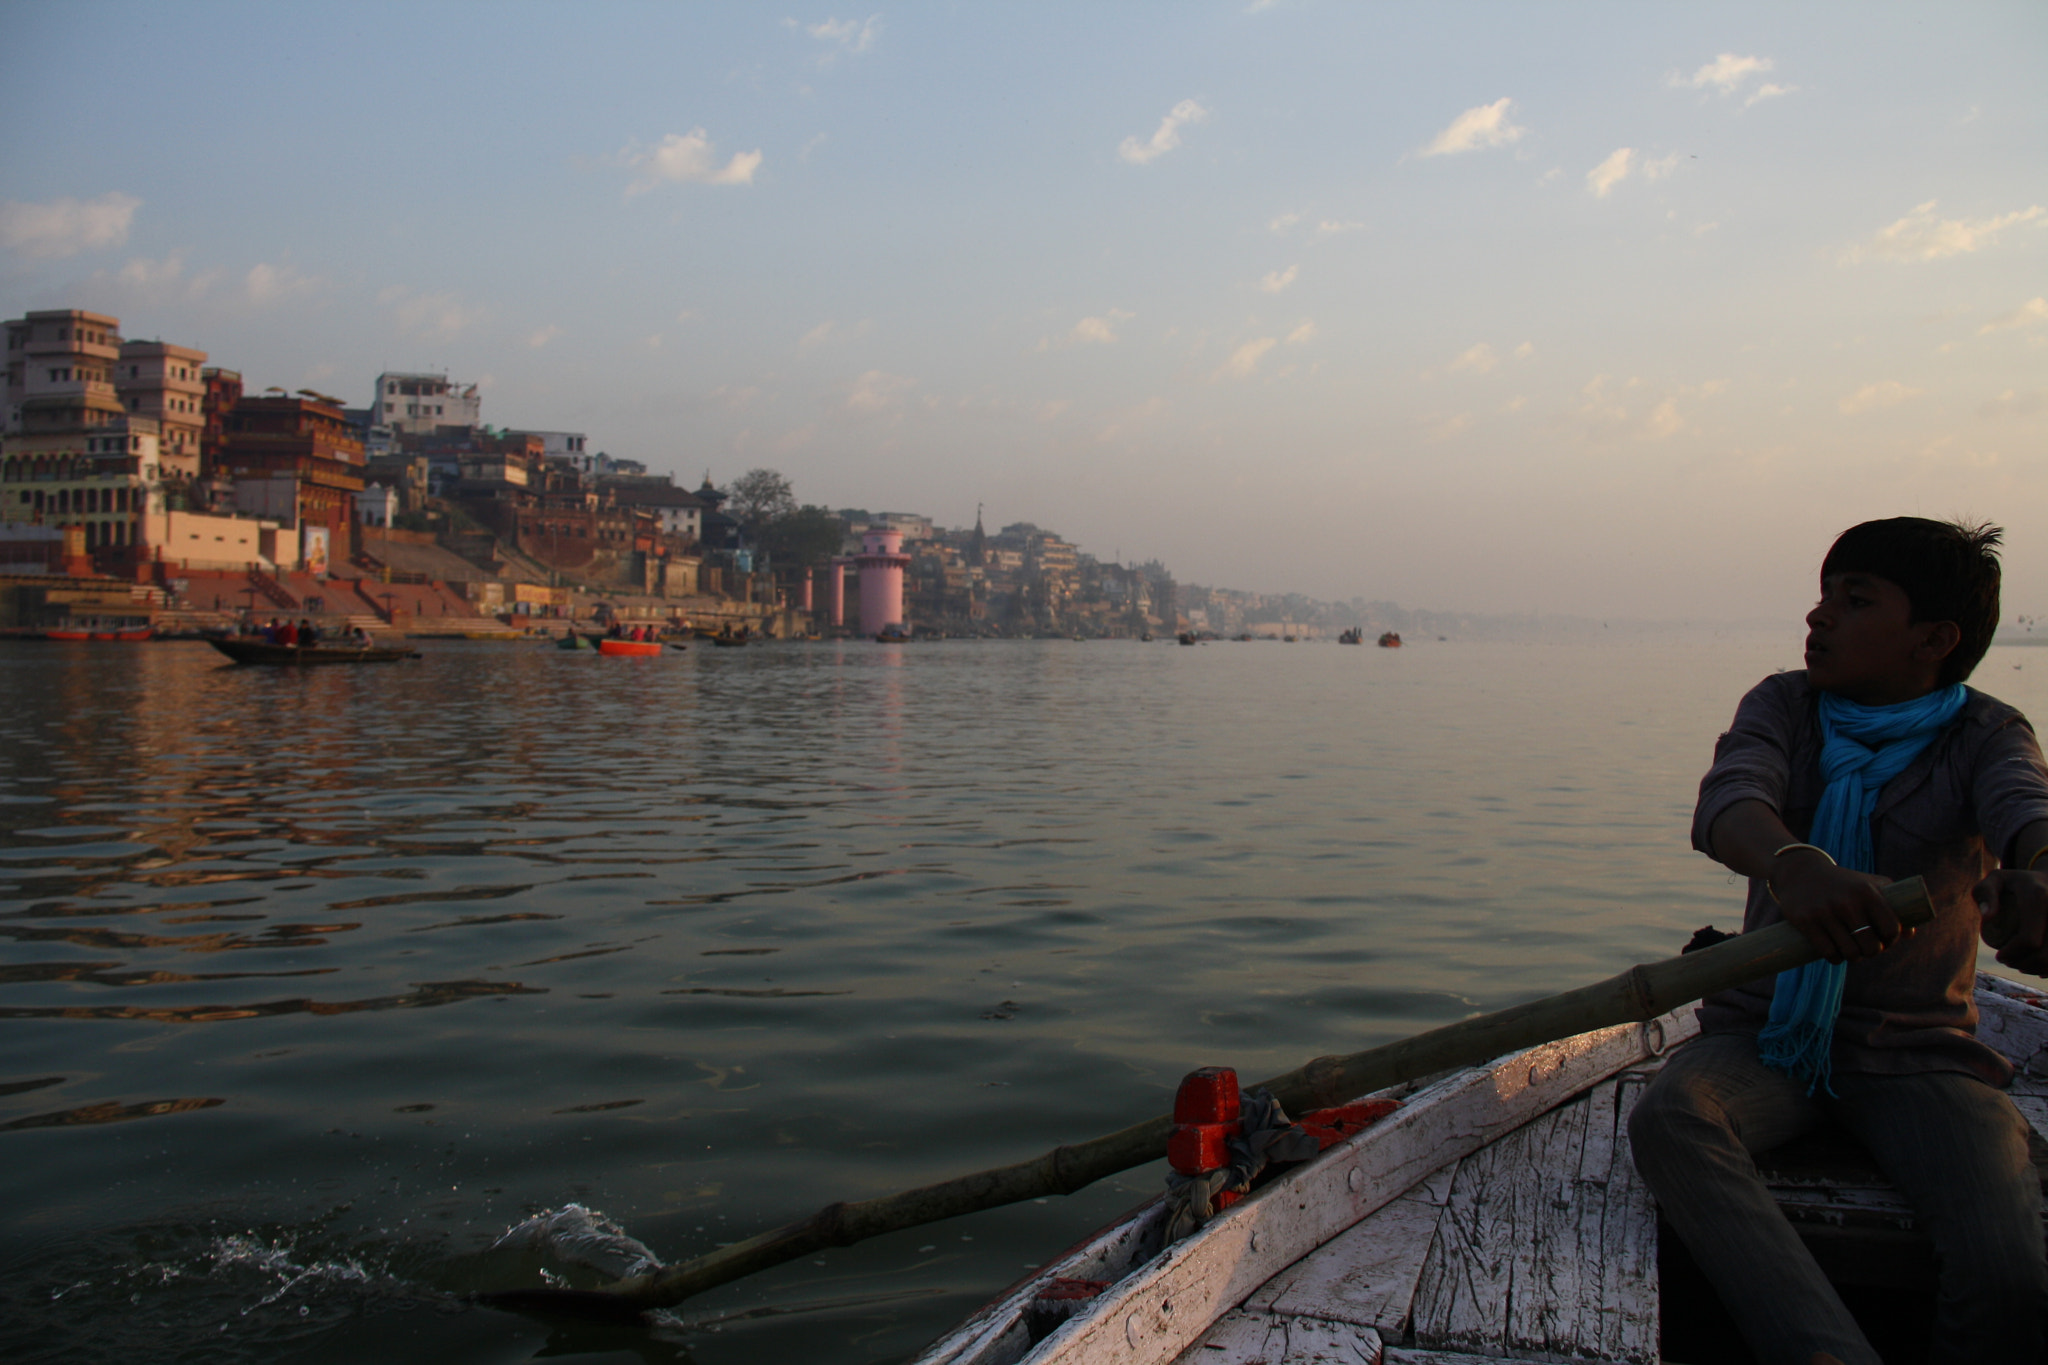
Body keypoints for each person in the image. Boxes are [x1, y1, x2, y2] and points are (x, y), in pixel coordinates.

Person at [1629, 518, 2048, 1364]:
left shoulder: (1988, 735)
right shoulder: (1785, 704)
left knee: (2010, 1276)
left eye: (1854, 601)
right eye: (1823, 595)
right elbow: (1729, 800)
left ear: (1933, 639)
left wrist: (2036, 881)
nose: (1818, 617)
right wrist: (1794, 864)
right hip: (1765, 1039)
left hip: (1917, 1053)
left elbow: (2029, 815)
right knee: (1675, 1119)